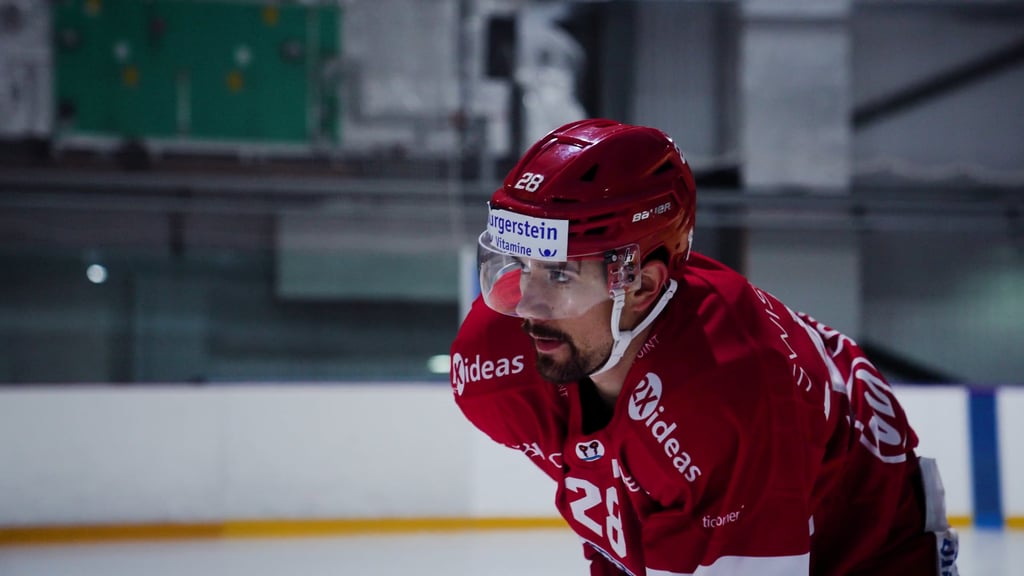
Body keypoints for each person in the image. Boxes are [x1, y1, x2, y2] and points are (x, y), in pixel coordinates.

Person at [450, 119, 960, 576]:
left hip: (869, 553)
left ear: (643, 286)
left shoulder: (726, 397)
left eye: (560, 274)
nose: (528, 305)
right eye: (522, 265)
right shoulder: (492, 360)